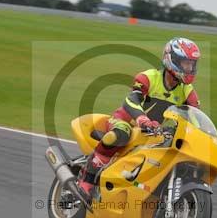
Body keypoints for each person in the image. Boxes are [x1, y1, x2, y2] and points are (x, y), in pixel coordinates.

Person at [77, 37, 202, 200]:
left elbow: (195, 117)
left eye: (192, 64)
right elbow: (131, 100)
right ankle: (86, 182)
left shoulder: (188, 92)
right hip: (126, 122)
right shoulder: (148, 78)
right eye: (186, 63)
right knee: (120, 134)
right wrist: (142, 119)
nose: (189, 68)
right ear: (171, 59)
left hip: (155, 133)